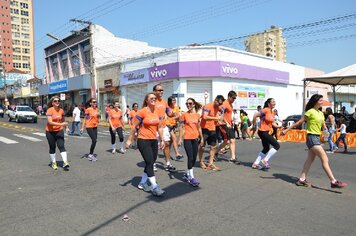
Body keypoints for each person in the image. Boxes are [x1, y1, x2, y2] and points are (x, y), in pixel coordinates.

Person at [281, 94, 347, 188]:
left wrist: (326, 131)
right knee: (324, 158)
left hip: (317, 137)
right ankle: (333, 181)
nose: (322, 102)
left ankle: (301, 179)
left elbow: (323, 124)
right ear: (315, 101)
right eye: (320, 100)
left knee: (310, 160)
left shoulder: (320, 113)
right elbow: (299, 122)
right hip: (311, 137)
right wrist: (287, 130)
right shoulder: (310, 112)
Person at [126, 92, 165, 197]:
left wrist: (162, 140)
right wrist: (129, 139)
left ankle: (142, 183)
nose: (154, 99)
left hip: (153, 140)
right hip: (143, 140)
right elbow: (134, 126)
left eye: (155, 98)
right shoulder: (142, 112)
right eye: (151, 98)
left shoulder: (158, 111)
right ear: (147, 100)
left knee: (150, 163)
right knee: (149, 161)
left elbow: (160, 127)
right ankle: (155, 186)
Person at [178, 98, 204, 187]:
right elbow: (181, 127)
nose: (188, 105)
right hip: (187, 138)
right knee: (190, 157)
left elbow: (199, 127)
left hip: (195, 139)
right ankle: (191, 177)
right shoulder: (184, 115)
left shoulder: (197, 115)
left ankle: (187, 174)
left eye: (190, 103)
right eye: (187, 104)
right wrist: (180, 138)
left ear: (193, 105)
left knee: (193, 158)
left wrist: (202, 138)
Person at [251, 98, 281, 169]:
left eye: (275, 102)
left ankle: (255, 164)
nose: (274, 103)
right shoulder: (266, 110)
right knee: (277, 145)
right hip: (262, 131)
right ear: (268, 103)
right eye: (273, 102)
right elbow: (255, 115)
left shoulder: (272, 112)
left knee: (266, 148)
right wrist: (254, 125)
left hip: (265, 132)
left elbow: (272, 122)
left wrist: (278, 126)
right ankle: (265, 160)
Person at [152, 84, 175, 172]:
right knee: (154, 146)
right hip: (154, 127)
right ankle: (153, 163)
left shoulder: (164, 102)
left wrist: (173, 114)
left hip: (163, 126)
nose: (161, 91)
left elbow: (168, 112)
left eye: (162, 90)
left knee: (166, 144)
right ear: (154, 91)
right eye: (159, 90)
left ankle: (168, 163)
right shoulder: (151, 101)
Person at [198, 95, 225, 171]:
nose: (220, 105)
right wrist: (216, 118)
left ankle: (210, 163)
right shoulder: (208, 106)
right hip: (204, 128)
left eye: (221, 104)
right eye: (219, 103)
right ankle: (201, 161)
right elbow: (205, 117)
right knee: (202, 146)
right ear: (215, 100)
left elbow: (220, 115)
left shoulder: (218, 107)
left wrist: (221, 115)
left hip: (212, 129)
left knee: (213, 147)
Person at [45, 96, 70, 170]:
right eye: (55, 101)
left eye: (58, 101)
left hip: (59, 130)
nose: (57, 102)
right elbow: (50, 122)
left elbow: (63, 120)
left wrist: (67, 127)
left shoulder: (61, 110)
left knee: (61, 145)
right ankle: (53, 163)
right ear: (52, 103)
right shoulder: (49, 110)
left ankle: (65, 162)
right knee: (52, 147)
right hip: (50, 131)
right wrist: (61, 125)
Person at [216, 91, 240, 164]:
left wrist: (230, 121)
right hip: (223, 124)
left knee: (227, 141)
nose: (234, 100)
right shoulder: (225, 104)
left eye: (235, 98)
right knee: (231, 140)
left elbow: (227, 114)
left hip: (229, 124)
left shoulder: (230, 105)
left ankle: (215, 152)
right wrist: (226, 122)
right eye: (233, 98)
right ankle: (232, 158)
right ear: (229, 96)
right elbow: (220, 114)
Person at [166, 96, 184, 161]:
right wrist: (174, 115)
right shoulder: (167, 107)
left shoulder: (176, 107)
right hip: (167, 125)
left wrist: (175, 116)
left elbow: (178, 115)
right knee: (174, 138)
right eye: (173, 100)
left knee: (170, 141)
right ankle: (177, 154)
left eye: (175, 100)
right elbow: (169, 114)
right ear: (170, 101)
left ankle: (167, 152)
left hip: (174, 125)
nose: (174, 101)